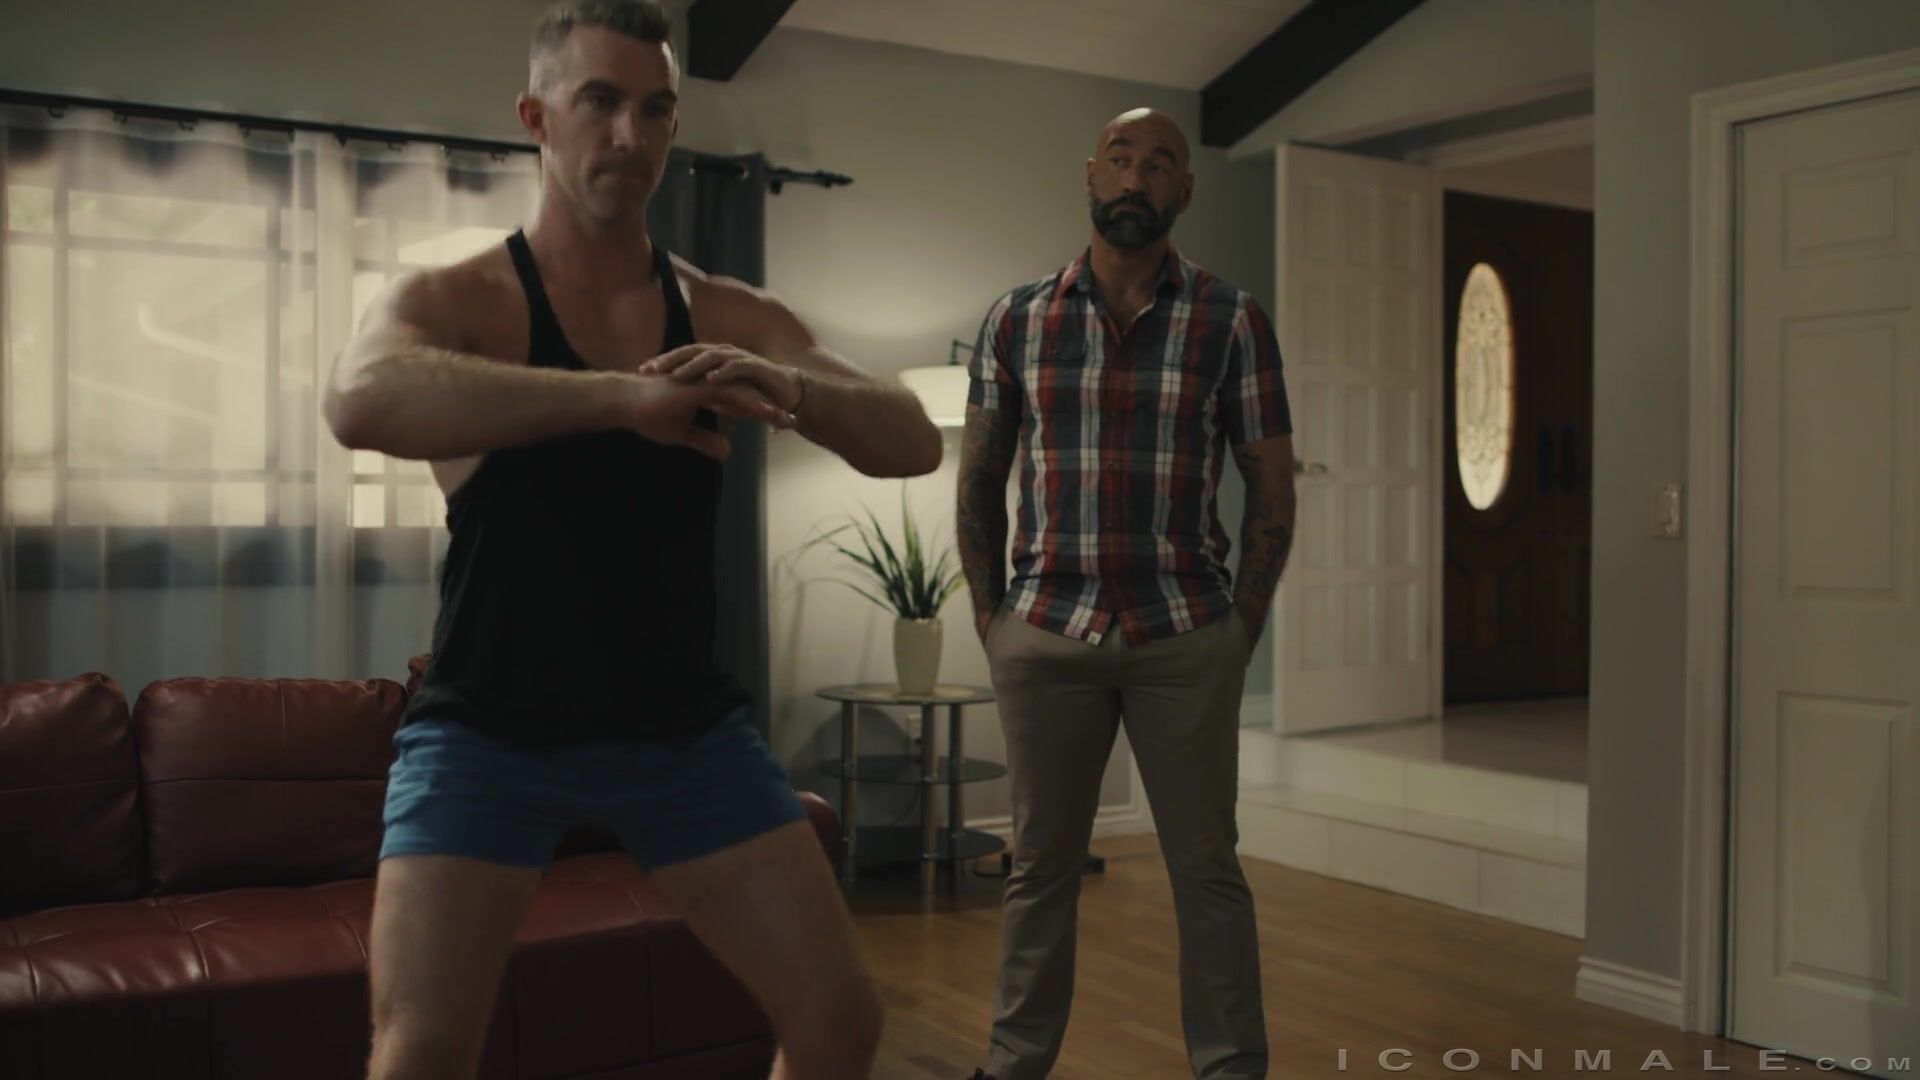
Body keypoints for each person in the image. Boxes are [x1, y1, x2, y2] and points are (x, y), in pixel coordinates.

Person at [323, 3, 941, 1077]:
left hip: (683, 735)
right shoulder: (465, 300)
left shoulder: (722, 310)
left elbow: (914, 440)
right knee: (419, 1051)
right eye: (600, 102)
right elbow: (359, 400)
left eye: (655, 110)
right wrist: (618, 399)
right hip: (487, 734)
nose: (629, 135)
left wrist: (790, 386)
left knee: (841, 1023)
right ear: (536, 117)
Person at [956, 107, 1297, 1080]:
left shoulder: (1231, 320)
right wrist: (993, 621)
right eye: (1119, 159)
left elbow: (1272, 489)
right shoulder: (1016, 319)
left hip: (1183, 632)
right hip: (1046, 632)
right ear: (1090, 176)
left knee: (1207, 872)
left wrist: (1237, 629)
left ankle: (1230, 1067)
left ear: (1184, 188)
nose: (1135, 178)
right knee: (1039, 871)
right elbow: (979, 477)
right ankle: (1013, 1065)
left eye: (1158, 164)